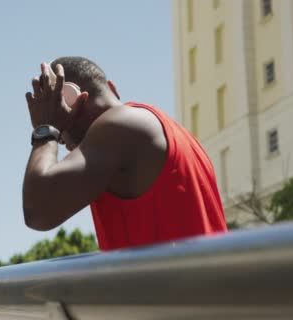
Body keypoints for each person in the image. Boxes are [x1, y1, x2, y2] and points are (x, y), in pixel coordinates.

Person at [22, 56, 227, 251]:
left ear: (69, 102)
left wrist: (47, 127)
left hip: (182, 287)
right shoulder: (167, 130)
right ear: (112, 88)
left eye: (60, 137)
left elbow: (38, 211)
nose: (63, 144)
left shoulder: (119, 126)